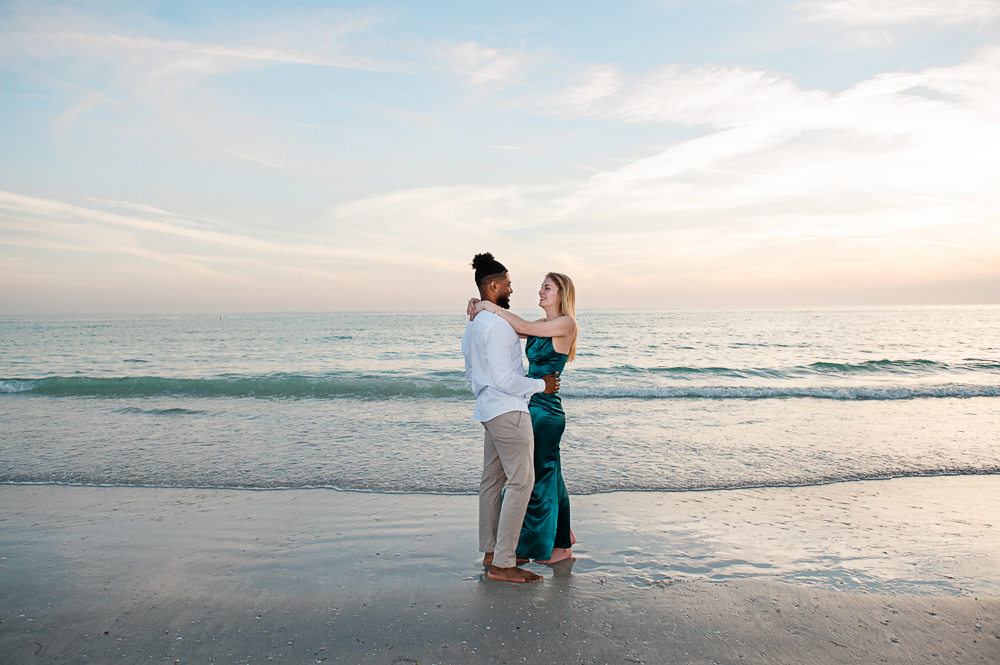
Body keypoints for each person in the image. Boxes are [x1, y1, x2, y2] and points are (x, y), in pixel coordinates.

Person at [461, 252, 561, 584]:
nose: (511, 290)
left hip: (488, 409)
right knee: (521, 482)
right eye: (507, 284)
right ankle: (503, 563)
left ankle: (491, 552)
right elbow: (506, 379)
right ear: (493, 285)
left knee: (492, 482)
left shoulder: (474, 323)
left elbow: (471, 370)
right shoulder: (499, 327)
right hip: (508, 409)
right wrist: (541, 386)